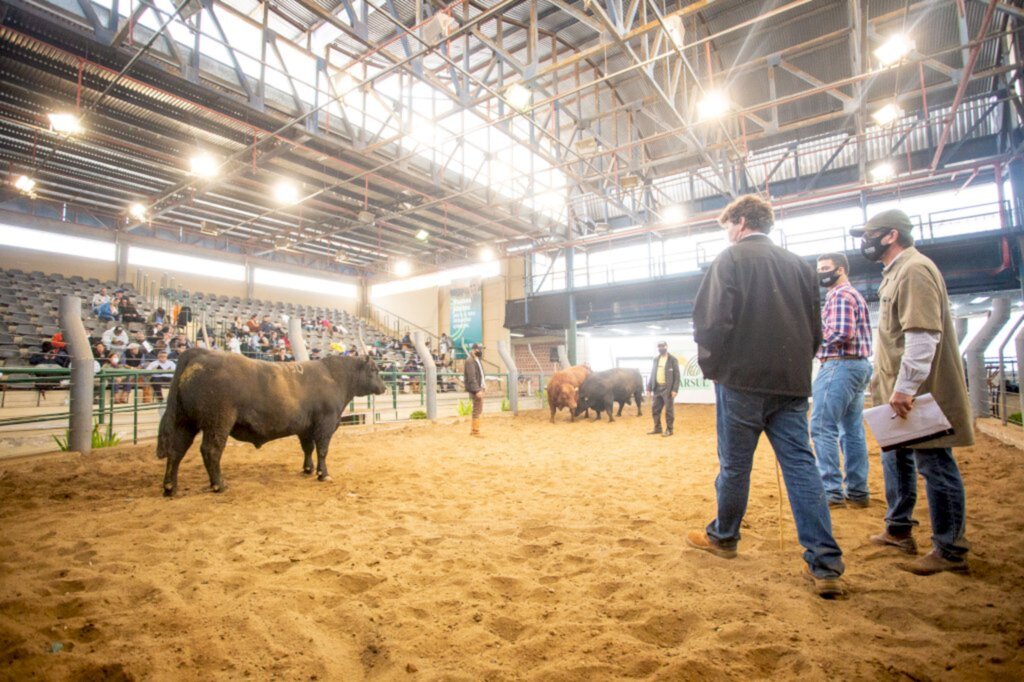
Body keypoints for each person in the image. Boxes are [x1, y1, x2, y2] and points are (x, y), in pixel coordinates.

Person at [688, 194, 845, 599]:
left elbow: (710, 323)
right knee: (802, 468)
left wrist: (715, 368)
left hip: (741, 381)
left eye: (727, 226)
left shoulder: (730, 260)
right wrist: (798, 365)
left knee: (735, 467)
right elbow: (816, 328)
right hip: (791, 385)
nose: (727, 233)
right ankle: (825, 562)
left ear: (740, 221)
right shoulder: (799, 266)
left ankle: (725, 537)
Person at [851, 209, 974, 575]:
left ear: (891, 235)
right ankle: (899, 528)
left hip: (920, 394)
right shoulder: (897, 272)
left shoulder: (914, 269)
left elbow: (922, 335)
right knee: (897, 457)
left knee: (935, 464)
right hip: (896, 391)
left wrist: (906, 388)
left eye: (870, 234)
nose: (865, 242)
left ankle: (950, 550)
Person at [810, 253, 874, 509]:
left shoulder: (839, 295)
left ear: (842, 269)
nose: (822, 273)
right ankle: (857, 491)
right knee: (851, 430)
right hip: (856, 366)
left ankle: (831, 491)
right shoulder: (853, 295)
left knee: (822, 427)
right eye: (819, 269)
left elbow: (840, 332)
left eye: (826, 268)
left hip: (838, 364)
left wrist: (812, 340)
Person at [646, 341, 680, 437]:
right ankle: (657, 428)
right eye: (659, 347)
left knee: (669, 411)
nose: (661, 348)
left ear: (666, 347)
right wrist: (649, 387)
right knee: (655, 409)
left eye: (662, 346)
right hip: (657, 388)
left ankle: (669, 429)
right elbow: (652, 374)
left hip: (667, 389)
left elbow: (677, 376)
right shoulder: (656, 359)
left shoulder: (673, 360)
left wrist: (675, 389)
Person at [463, 343, 486, 437]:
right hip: (475, 388)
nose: (481, 351)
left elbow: (480, 374)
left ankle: (475, 430)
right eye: (480, 349)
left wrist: (483, 384)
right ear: (474, 350)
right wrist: (477, 390)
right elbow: (472, 377)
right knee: (477, 409)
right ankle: (475, 431)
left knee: (479, 408)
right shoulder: (470, 361)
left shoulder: (477, 360)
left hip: (479, 387)